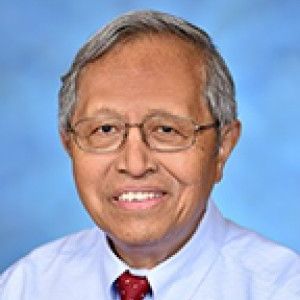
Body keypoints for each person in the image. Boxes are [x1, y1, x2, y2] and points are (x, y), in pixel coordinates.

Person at [1, 10, 299, 300]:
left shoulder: (282, 289)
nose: (134, 164)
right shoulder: (25, 286)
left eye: (167, 130)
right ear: (69, 144)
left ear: (223, 146)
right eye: (105, 129)